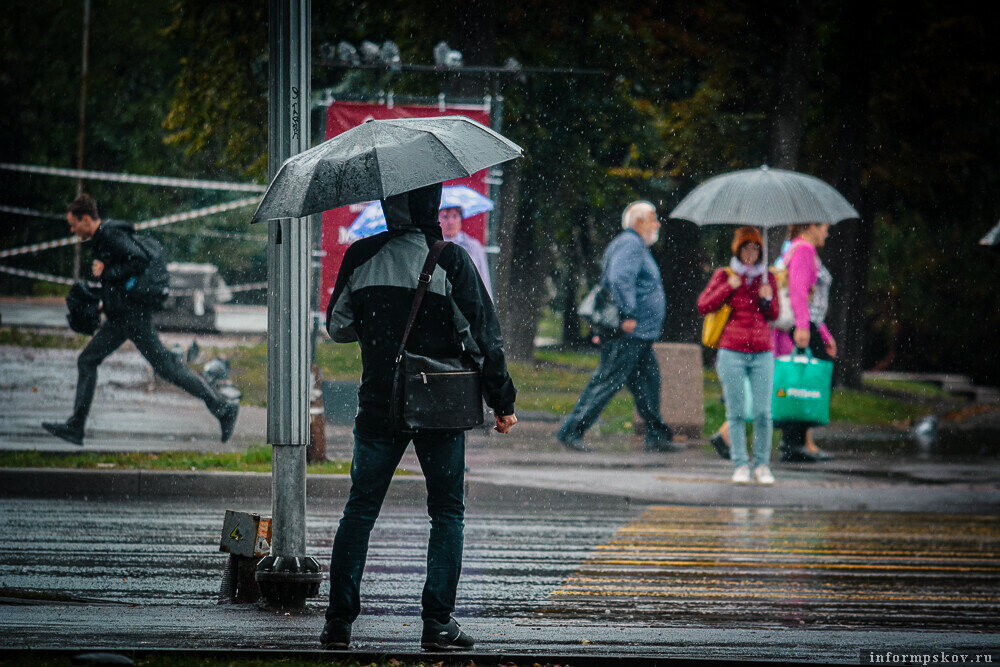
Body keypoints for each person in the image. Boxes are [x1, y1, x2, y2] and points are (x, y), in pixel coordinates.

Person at [321, 182, 518, 651]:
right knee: (447, 512)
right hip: (440, 407)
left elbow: (338, 327)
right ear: (431, 205)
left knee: (361, 509)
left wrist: (380, 327)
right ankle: (437, 623)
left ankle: (338, 623)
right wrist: (502, 401)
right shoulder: (450, 259)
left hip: (378, 403)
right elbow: (484, 337)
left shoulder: (361, 254)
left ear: (390, 205)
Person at [41, 195, 239, 447]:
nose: (71, 230)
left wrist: (108, 272)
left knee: (165, 367)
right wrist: (103, 300)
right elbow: (122, 280)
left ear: (86, 219)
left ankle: (223, 408)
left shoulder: (110, 235)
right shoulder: (105, 238)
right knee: (94, 360)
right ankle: (75, 427)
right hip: (123, 317)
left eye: (73, 224)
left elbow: (138, 260)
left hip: (131, 317)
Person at [556, 201, 678, 454]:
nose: (657, 224)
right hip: (629, 332)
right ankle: (572, 431)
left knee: (648, 382)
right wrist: (629, 313)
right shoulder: (631, 244)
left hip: (639, 334)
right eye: (653, 219)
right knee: (608, 381)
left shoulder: (634, 246)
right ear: (640, 223)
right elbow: (620, 279)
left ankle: (657, 435)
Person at [697, 227, 780, 484]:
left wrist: (767, 299)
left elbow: (775, 315)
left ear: (761, 251)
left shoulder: (767, 278)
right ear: (737, 249)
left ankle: (763, 465)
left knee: (764, 412)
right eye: (746, 247)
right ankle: (740, 464)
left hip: (762, 352)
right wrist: (728, 288)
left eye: (755, 248)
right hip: (731, 350)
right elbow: (703, 305)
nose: (750, 253)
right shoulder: (725, 274)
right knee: (735, 412)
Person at [773, 223, 837, 462]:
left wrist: (825, 333)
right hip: (804, 324)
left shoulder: (794, 248)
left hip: (810, 323)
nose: (827, 233)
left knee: (805, 380)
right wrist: (802, 325)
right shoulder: (804, 250)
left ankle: (797, 442)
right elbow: (799, 291)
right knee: (805, 382)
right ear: (811, 226)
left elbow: (811, 296)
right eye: (824, 227)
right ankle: (793, 442)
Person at [438, 205, 492, 297]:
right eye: (445, 217)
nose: (450, 222)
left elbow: (483, 278)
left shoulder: (473, 246)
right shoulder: (433, 245)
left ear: (461, 219)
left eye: (455, 216)